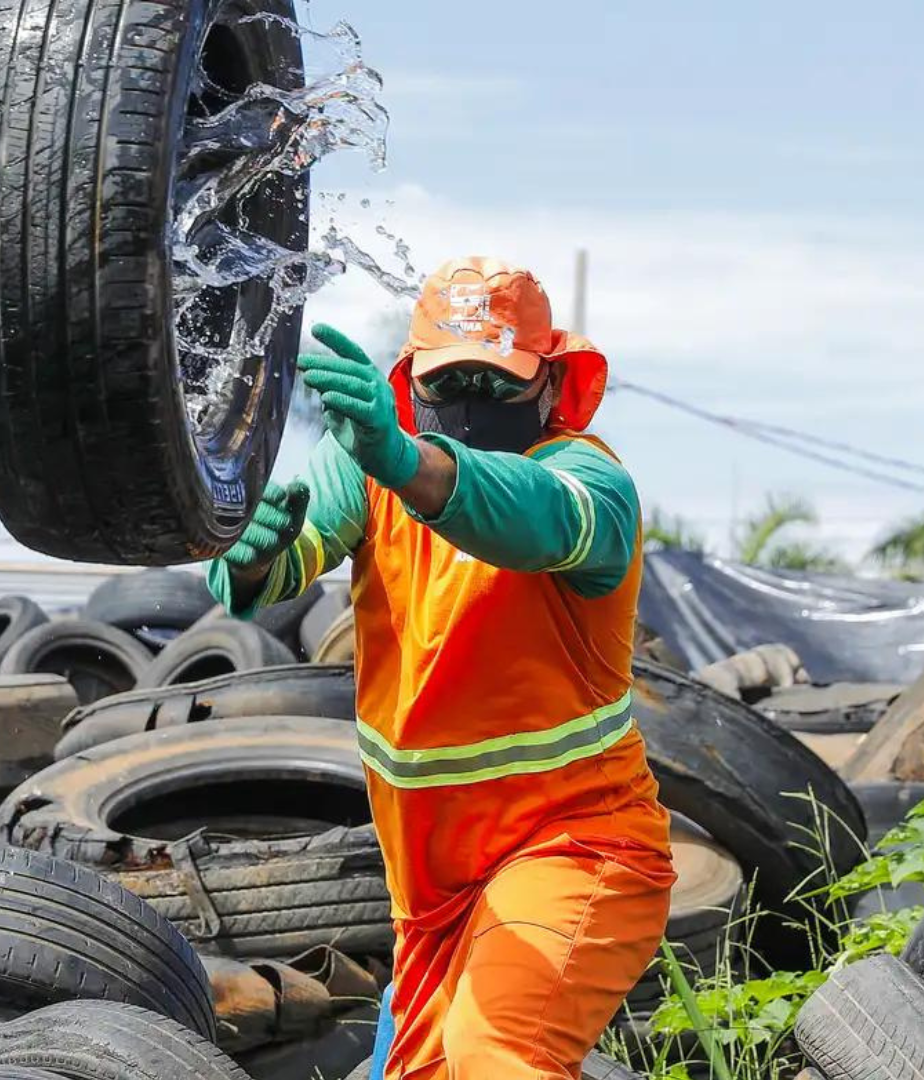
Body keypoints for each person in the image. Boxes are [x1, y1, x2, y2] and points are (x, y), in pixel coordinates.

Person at [208, 256, 675, 1079]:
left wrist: (407, 461)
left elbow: (529, 517)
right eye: (450, 380)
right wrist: (247, 561)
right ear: (412, 382)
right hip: (429, 896)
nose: (468, 404)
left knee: (498, 1056)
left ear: (548, 383)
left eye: (495, 384)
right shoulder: (367, 472)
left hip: (573, 848)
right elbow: (280, 561)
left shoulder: (589, 479)